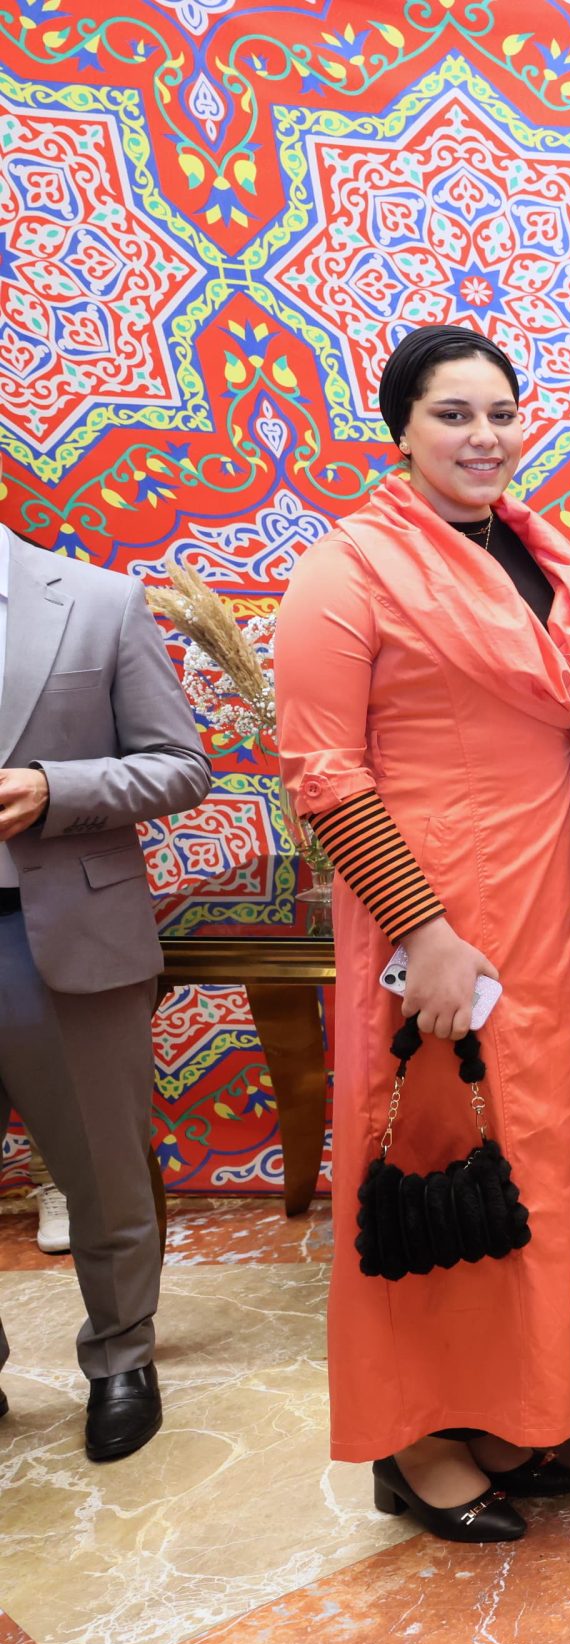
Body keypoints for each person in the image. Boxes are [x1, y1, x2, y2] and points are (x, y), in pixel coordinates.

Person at [273, 324, 570, 1543]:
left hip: (547, 910)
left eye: (501, 412)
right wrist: (421, 930)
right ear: (402, 430)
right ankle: (413, 1439)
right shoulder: (348, 570)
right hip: (433, 915)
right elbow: (324, 773)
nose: (484, 436)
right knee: (426, 1160)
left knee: (531, 1160)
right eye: (453, 414)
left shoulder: (538, 551)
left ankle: (507, 1407)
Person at [0, 518, 212, 1457]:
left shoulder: (97, 599)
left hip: (61, 934)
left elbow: (182, 766)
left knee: (103, 1169)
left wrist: (56, 788)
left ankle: (122, 1358)